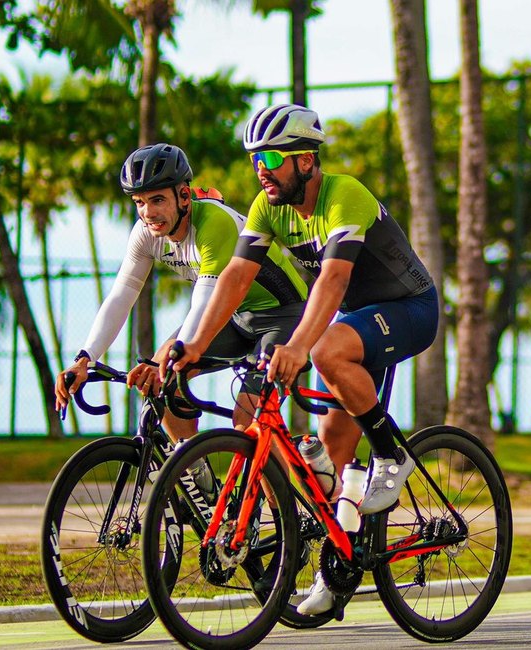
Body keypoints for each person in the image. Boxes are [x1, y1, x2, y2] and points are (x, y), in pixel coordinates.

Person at [168, 104, 439, 615]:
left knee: (323, 348)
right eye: (255, 160)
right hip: (359, 324)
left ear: (307, 162)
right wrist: (198, 342)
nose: (262, 170)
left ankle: (393, 455)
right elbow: (235, 277)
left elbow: (334, 281)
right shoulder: (267, 207)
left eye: (272, 157)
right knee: (333, 464)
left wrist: (297, 347)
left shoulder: (345, 196)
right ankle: (338, 571)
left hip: (410, 310)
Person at [54, 143, 310, 445]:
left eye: (157, 200)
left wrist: (162, 361)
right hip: (231, 316)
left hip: (283, 317)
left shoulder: (214, 222)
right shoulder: (145, 233)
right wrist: (85, 358)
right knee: (163, 388)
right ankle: (195, 479)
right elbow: (122, 295)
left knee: (248, 423)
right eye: (139, 202)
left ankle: (277, 491)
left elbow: (204, 303)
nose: (148, 213)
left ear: (184, 196)